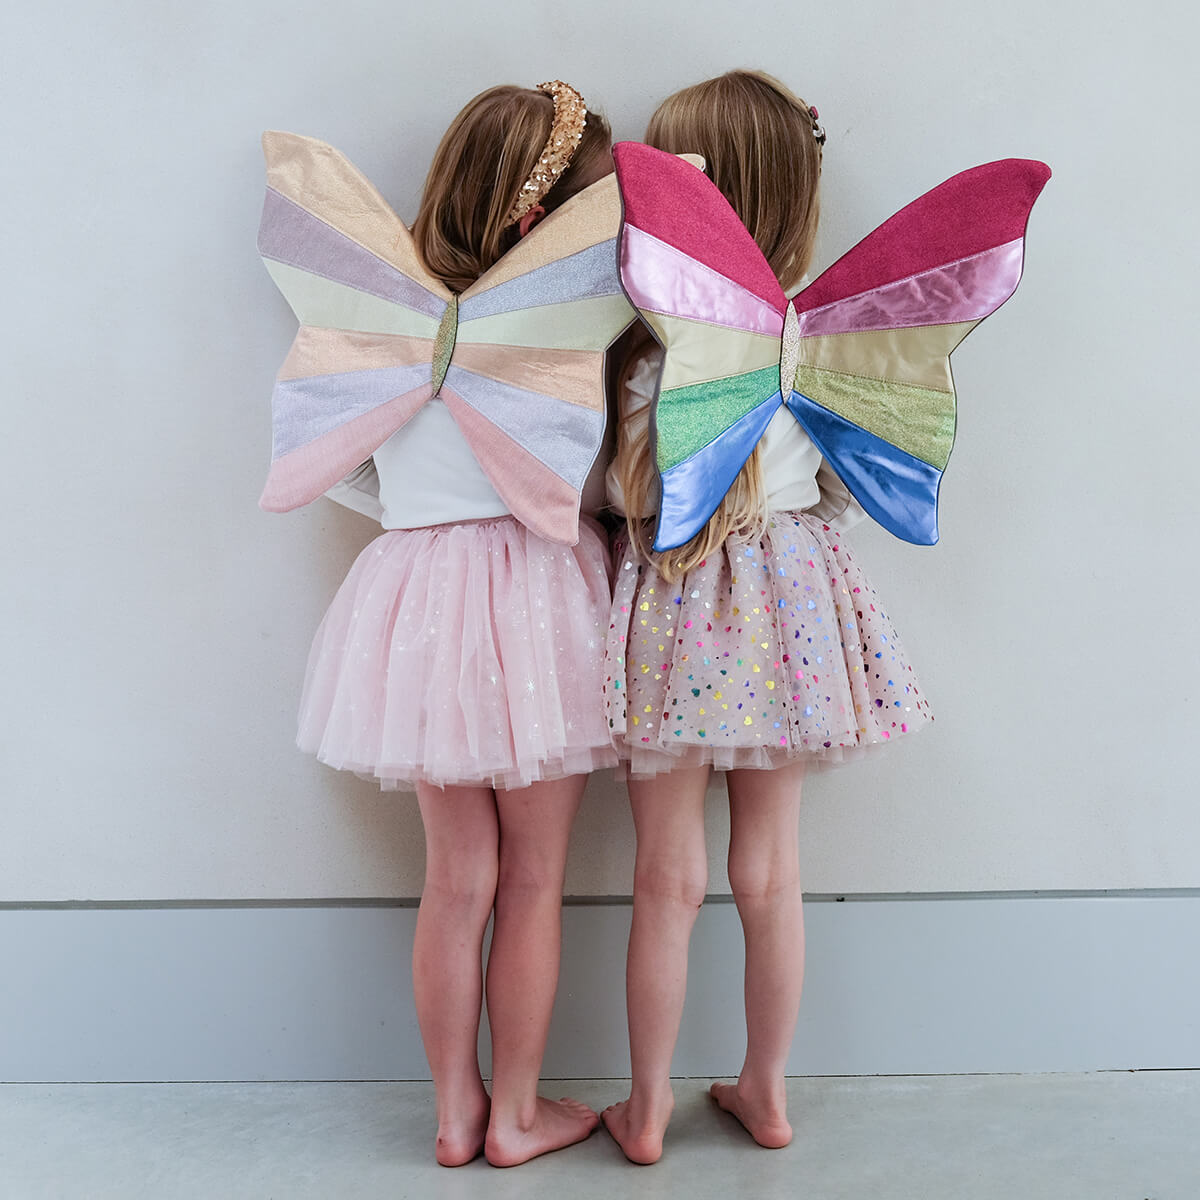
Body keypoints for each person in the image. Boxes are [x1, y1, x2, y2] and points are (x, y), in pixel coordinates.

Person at [258, 81, 627, 1167]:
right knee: (534, 879)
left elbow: (338, 462)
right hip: (538, 593)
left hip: (416, 598)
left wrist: (418, 512)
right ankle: (518, 1114)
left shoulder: (386, 325)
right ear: (543, 220)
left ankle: (457, 1112)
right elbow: (586, 479)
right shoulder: (561, 339)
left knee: (455, 878)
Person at [601, 70, 935, 1163]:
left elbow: (627, 489)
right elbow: (847, 485)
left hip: (676, 596)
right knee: (772, 871)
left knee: (665, 877)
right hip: (790, 602)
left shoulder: (651, 350)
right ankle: (768, 1091)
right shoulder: (822, 341)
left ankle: (646, 1109)